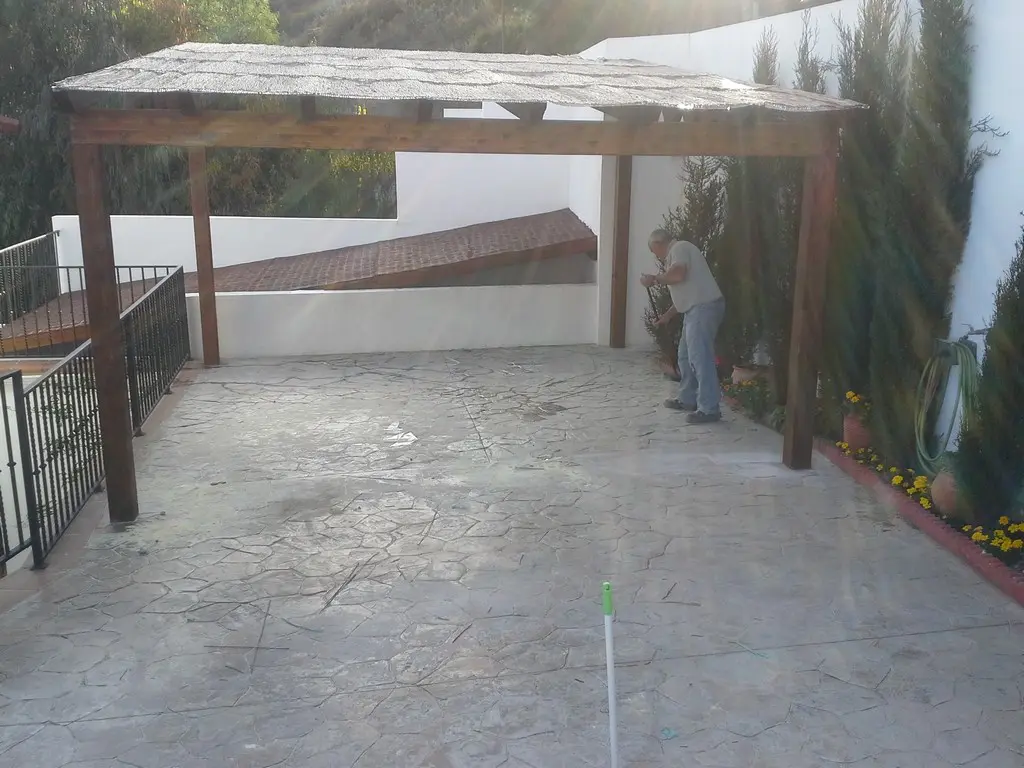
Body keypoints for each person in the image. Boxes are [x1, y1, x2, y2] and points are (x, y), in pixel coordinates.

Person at [641, 229, 725, 424]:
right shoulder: (678, 254)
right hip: (695, 309)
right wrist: (666, 317)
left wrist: (655, 279)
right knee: (686, 356)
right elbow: (684, 292)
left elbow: (678, 275)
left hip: (703, 307)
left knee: (700, 357)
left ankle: (709, 408)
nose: (655, 255)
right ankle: (688, 398)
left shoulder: (679, 248)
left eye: (654, 250)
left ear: (659, 243)